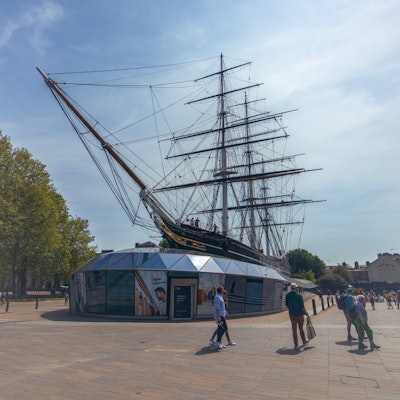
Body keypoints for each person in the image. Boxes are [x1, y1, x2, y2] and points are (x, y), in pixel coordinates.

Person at [285, 283, 309, 350]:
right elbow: (302, 307)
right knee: (301, 328)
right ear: (296, 288)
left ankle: (296, 345)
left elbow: (287, 305)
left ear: (290, 288)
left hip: (292, 315)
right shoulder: (299, 295)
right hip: (300, 315)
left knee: (294, 330)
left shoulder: (287, 295)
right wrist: (306, 313)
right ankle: (304, 341)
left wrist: (291, 310)